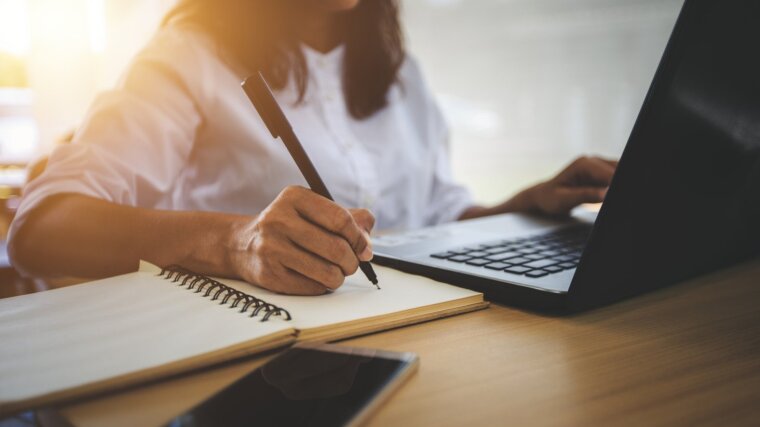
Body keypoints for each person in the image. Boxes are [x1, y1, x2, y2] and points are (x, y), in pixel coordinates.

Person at [8, 0, 617, 295]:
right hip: (262, 367)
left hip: (417, 340)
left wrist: (525, 205)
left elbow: (432, 217)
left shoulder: (398, 72)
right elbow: (40, 226)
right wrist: (236, 243)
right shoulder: (187, 56)